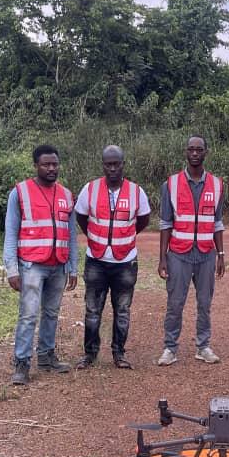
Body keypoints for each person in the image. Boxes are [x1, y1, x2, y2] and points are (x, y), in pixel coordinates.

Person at [3, 144, 78, 386]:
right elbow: (11, 233)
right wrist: (12, 269)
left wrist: (73, 267)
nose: (51, 168)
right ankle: (22, 363)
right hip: (31, 265)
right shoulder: (20, 193)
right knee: (28, 315)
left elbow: (72, 234)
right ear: (36, 165)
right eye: (46, 164)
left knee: (51, 313)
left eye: (54, 164)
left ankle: (46, 357)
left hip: (58, 264)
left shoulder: (67, 195)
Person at [74, 145, 151, 369]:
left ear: (123, 164)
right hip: (96, 259)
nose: (113, 168)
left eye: (117, 164)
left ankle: (119, 353)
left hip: (125, 261)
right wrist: (95, 237)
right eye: (108, 164)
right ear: (103, 165)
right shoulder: (90, 189)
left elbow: (143, 220)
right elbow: (81, 216)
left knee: (123, 310)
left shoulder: (137, 192)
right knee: (92, 310)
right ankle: (90, 354)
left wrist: (125, 236)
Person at [157, 135, 226, 365]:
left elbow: (217, 223)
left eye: (199, 149)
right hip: (178, 253)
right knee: (175, 303)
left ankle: (203, 346)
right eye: (191, 149)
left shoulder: (217, 185)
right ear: (186, 152)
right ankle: (170, 348)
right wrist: (162, 258)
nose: (195, 153)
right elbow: (166, 223)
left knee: (205, 303)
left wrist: (221, 254)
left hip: (207, 253)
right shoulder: (171, 184)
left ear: (206, 152)